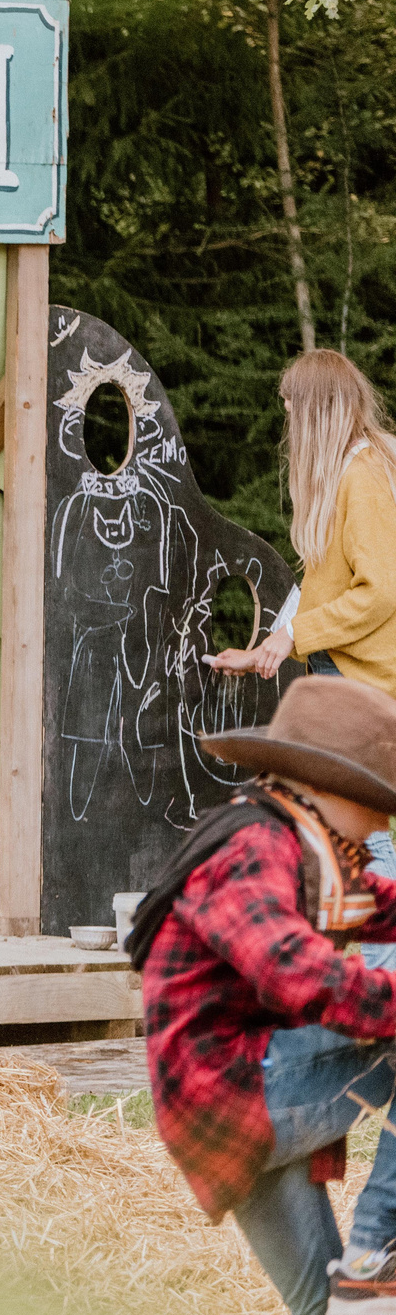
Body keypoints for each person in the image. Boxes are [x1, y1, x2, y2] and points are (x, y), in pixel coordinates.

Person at [129, 676, 396, 1315]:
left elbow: (382, 906)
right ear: (324, 782)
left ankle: (367, 1268)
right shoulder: (251, 846)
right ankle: (380, 1244)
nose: (379, 827)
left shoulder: (303, 843)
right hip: (238, 1088)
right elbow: (291, 970)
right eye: (374, 802)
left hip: (232, 1110)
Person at [207, 349, 396, 969]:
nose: (288, 425)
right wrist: (269, 646)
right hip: (343, 675)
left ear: (315, 411)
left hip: (368, 683)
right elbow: (322, 587)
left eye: (292, 410)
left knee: (366, 830)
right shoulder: (342, 476)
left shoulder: (363, 474)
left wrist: (297, 637)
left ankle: (376, 986)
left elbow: (380, 591)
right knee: (346, 828)